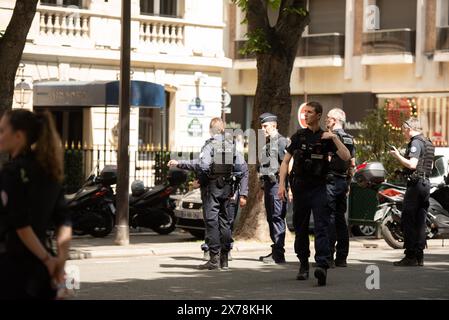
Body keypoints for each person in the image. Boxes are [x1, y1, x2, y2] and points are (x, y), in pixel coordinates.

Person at [0, 109, 72, 299]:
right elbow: (64, 221)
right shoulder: (51, 171)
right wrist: (60, 262)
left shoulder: (12, 172)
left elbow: (20, 225)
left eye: (2, 131)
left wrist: (48, 260)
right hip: (41, 269)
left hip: (13, 268)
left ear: (18, 136)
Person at [278, 102, 351, 286]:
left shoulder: (326, 137)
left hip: (319, 188)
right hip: (301, 187)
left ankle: (322, 266)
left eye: (310, 112)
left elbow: (346, 157)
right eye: (305, 112)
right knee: (300, 228)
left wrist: (334, 138)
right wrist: (282, 185)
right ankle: (303, 264)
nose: (306, 115)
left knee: (322, 227)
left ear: (318, 115)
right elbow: (286, 162)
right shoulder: (298, 136)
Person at [168, 118, 247, 270]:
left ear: (211, 130)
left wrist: (201, 180)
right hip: (227, 188)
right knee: (224, 222)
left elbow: (203, 166)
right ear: (223, 130)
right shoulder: (231, 147)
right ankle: (224, 259)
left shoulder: (209, 145)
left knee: (212, 222)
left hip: (212, 188)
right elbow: (242, 169)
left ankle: (213, 259)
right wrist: (241, 191)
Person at [390, 117, 434, 266]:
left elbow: (412, 164)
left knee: (408, 219)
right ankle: (419, 256)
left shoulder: (415, 142)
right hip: (425, 183)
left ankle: (410, 256)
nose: (404, 133)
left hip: (415, 185)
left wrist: (397, 156)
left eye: (404, 130)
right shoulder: (428, 142)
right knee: (421, 221)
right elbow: (429, 166)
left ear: (409, 128)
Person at [325, 108, 356, 268]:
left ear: (335, 120)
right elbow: (352, 164)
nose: (326, 120)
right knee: (340, 219)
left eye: (328, 118)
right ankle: (342, 257)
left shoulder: (331, 138)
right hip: (343, 181)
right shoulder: (350, 139)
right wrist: (348, 184)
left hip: (330, 181)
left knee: (329, 218)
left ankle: (328, 256)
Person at [257, 113, 289, 264]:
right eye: (262, 126)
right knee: (271, 218)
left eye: (265, 126)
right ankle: (276, 250)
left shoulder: (282, 142)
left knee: (277, 217)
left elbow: (287, 165)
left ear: (274, 125)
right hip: (269, 185)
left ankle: (278, 253)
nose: (262, 129)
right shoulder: (269, 144)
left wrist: (284, 186)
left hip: (277, 184)